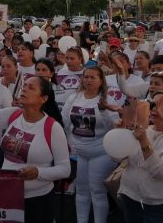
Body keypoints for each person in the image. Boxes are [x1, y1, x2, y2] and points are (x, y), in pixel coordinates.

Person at [0, 71, 71, 222]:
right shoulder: (14, 114)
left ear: (43, 98)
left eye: (31, 88)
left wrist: (38, 172)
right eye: (24, 86)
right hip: (8, 197)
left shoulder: (53, 128)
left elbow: (65, 169)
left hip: (37, 201)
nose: (24, 89)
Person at [61, 66, 120, 223]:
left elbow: (113, 128)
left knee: (97, 192)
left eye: (93, 77)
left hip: (101, 153)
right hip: (80, 153)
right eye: (86, 77)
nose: (88, 80)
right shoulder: (74, 98)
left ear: (101, 81)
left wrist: (103, 111)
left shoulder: (107, 100)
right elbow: (65, 122)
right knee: (81, 191)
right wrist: (70, 144)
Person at [118, 92, 163, 223]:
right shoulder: (143, 129)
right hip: (130, 198)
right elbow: (118, 159)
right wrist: (120, 135)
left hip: (161, 206)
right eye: (153, 104)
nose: (155, 109)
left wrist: (144, 142)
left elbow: (162, 172)